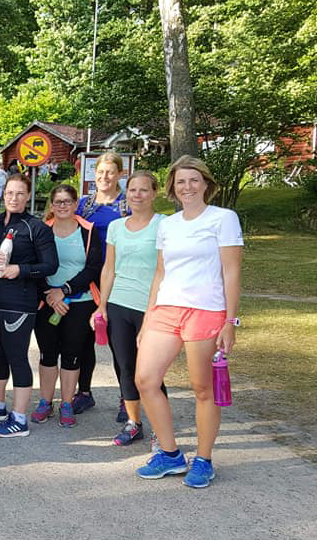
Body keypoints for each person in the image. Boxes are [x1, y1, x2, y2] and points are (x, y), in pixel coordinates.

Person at [134, 155, 243, 489]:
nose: (187, 186)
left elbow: (231, 271)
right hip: (165, 309)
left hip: (205, 310)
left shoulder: (223, 219)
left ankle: (204, 460)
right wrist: (148, 316)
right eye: (181, 181)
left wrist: (230, 321)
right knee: (145, 380)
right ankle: (170, 455)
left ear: (206, 183)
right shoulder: (167, 224)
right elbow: (160, 272)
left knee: (202, 388)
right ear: (173, 187)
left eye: (194, 180)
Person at [0, 174, 58, 438]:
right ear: (3, 193)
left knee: (16, 357)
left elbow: (50, 265)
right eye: (10, 192)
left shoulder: (37, 227)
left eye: (20, 193)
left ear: (28, 196)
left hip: (19, 303)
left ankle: (19, 419)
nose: (14, 198)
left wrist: (19, 269)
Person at [91, 171, 167, 446]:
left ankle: (161, 430)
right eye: (133, 190)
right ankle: (134, 423)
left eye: (144, 190)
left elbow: (163, 270)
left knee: (151, 372)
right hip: (118, 304)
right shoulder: (116, 227)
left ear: (154, 193)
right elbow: (109, 269)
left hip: (151, 307)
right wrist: (102, 306)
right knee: (125, 367)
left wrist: (154, 310)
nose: (137, 195)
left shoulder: (164, 225)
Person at [31, 185, 102, 429]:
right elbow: (34, 265)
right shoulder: (42, 230)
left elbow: (93, 268)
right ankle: (45, 402)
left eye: (67, 201)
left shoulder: (88, 231)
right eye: (58, 201)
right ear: (51, 205)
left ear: (75, 204)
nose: (62, 206)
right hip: (47, 301)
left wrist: (65, 290)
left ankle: (67, 403)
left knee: (72, 353)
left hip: (80, 302)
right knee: (47, 354)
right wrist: (51, 294)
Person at [73, 151, 130, 415]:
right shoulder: (84, 205)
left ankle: (127, 398)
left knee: (120, 342)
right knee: (83, 339)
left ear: (120, 174)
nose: (104, 177)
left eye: (110, 172)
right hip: (89, 279)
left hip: (118, 279)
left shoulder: (126, 205)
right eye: (100, 172)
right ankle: (84, 392)